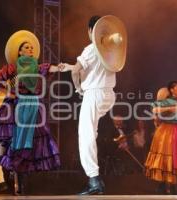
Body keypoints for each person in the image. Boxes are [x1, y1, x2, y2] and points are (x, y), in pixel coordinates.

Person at [0, 30, 70, 195]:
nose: (30, 49)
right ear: (19, 51)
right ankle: (14, 176)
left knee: (31, 143)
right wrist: (8, 91)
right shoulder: (13, 67)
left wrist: (65, 67)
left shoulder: (38, 67)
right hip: (16, 106)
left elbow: (53, 68)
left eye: (31, 47)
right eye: (26, 47)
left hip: (33, 106)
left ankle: (19, 178)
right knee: (14, 141)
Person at [61, 15, 116, 195]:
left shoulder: (91, 48)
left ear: (91, 30)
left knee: (85, 135)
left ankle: (94, 180)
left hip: (94, 93)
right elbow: (89, 69)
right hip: (108, 94)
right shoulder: (110, 47)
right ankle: (95, 180)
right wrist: (70, 66)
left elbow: (78, 70)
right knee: (91, 132)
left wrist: (78, 88)